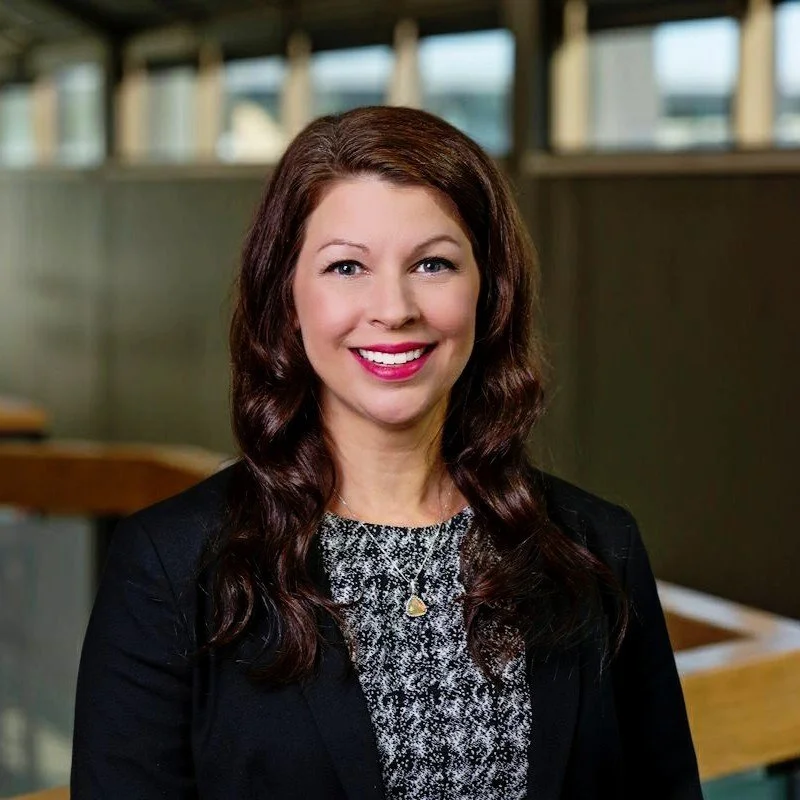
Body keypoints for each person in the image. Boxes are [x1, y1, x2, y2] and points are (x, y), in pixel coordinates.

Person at [71, 106, 702, 800]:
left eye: (433, 263)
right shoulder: (171, 567)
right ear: (287, 298)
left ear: (488, 291)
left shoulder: (597, 547)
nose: (393, 307)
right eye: (347, 266)